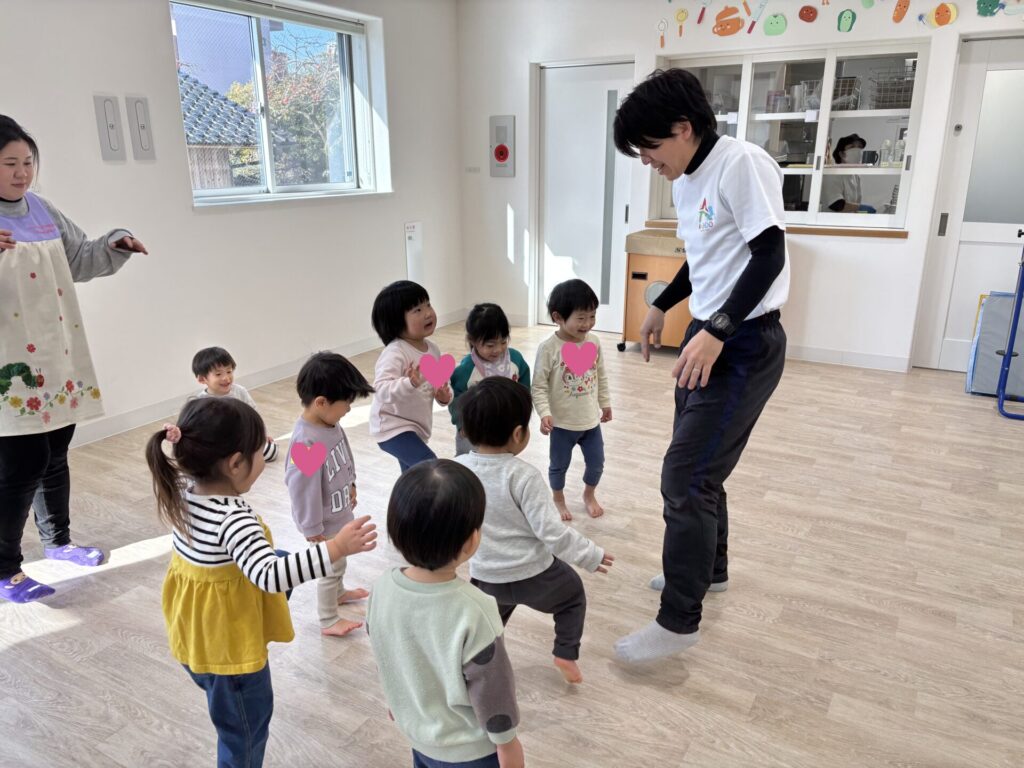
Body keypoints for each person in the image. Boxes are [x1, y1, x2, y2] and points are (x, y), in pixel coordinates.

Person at [611, 68, 789, 662]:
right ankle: (709, 571)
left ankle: (678, 622)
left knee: (685, 478)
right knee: (701, 470)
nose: (646, 161)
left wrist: (719, 329)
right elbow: (706, 255)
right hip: (708, 333)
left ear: (683, 128)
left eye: (649, 148)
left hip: (744, 341)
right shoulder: (688, 177)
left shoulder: (741, 164)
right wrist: (662, 304)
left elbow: (769, 253)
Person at [146, 396, 377, 768]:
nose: (266, 458)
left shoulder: (186, 488)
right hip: (229, 654)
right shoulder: (234, 520)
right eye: (259, 452)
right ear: (235, 463)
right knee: (245, 731)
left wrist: (265, 446)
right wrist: (335, 548)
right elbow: (269, 576)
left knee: (280, 557)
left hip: (196, 628)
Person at [0, 115, 148, 603]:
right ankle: (4, 569)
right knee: (23, 462)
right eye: (10, 163)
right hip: (9, 365)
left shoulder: (42, 210)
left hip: (54, 353)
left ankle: (58, 542)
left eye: (27, 162)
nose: (22, 173)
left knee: (55, 450)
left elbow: (80, 256)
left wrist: (115, 242)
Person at [366, 460, 524, 768]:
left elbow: (387, 654)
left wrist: (398, 701)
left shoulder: (381, 589)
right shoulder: (474, 609)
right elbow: (493, 690)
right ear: (472, 540)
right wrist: (507, 744)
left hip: (417, 734)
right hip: (471, 752)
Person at [456, 377, 613, 684]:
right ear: (519, 434)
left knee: (485, 630)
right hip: (536, 573)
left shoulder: (459, 469)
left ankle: (468, 671)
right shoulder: (523, 476)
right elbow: (551, 532)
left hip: (487, 575)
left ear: (466, 432)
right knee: (572, 598)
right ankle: (565, 652)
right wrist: (589, 555)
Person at [285, 351, 375, 638]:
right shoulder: (305, 442)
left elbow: (344, 455)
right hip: (323, 524)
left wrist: (351, 483)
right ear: (321, 402)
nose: (348, 409)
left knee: (340, 560)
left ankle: (338, 593)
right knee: (329, 568)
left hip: (339, 513)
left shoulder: (330, 424)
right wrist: (311, 527)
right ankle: (327, 619)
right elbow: (301, 490)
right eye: (346, 403)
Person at [531, 279, 611, 521]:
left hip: (590, 422)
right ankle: (558, 498)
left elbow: (601, 375)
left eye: (592, 316)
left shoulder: (594, 342)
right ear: (558, 317)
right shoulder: (548, 348)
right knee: (559, 465)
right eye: (581, 318)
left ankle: (589, 494)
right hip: (562, 425)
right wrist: (544, 413)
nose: (588, 323)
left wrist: (605, 403)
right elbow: (539, 386)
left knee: (597, 463)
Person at [369, 281, 453, 472]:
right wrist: (409, 383)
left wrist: (444, 396)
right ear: (396, 322)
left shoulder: (433, 350)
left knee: (412, 476)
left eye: (428, 305)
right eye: (417, 310)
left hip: (417, 427)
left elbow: (441, 385)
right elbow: (380, 390)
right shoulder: (395, 352)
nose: (428, 313)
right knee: (429, 465)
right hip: (392, 426)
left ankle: (407, 493)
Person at [448, 303, 530, 456]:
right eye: (490, 345)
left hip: (504, 427)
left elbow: (524, 385)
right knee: (467, 462)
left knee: (502, 460)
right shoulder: (466, 370)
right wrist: (461, 424)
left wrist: (522, 411)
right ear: (472, 340)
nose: (498, 349)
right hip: (474, 430)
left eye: (503, 342)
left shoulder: (515, 359)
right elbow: (455, 399)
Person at [192, 346, 279, 462]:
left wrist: (261, 434)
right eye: (218, 374)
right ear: (202, 379)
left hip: (243, 439)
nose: (226, 377)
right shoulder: (200, 401)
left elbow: (254, 415)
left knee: (271, 451)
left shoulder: (239, 391)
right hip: (219, 444)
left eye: (229, 371)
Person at [821, 133, 876, 213]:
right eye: (852, 147)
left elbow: (855, 203)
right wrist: (860, 207)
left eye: (859, 147)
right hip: (832, 219)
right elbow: (836, 204)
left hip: (848, 219)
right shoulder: (833, 173)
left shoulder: (855, 176)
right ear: (842, 154)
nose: (857, 150)